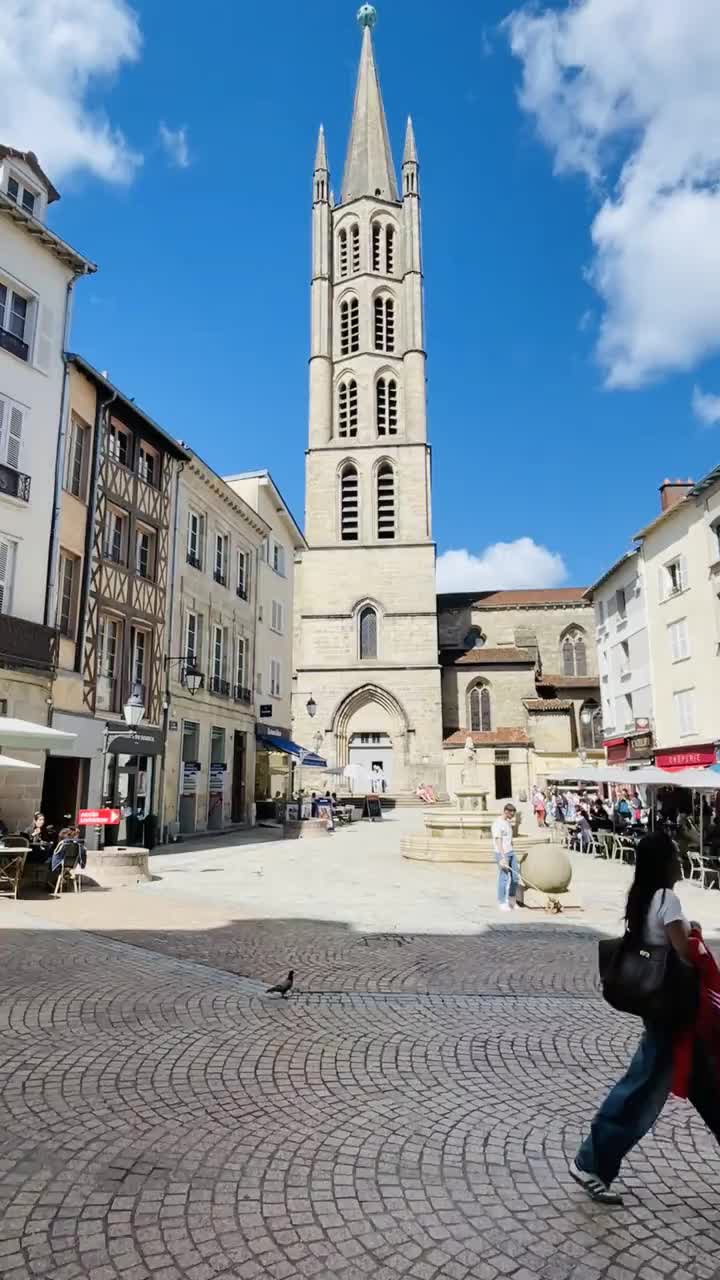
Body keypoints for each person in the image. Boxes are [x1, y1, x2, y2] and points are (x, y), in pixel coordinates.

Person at [571, 832, 720, 1206]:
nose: (680, 860)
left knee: (705, 1085)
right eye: (674, 855)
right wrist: (694, 930)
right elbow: (685, 953)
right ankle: (591, 1162)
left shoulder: (642, 898)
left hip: (666, 1010)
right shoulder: (668, 899)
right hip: (673, 1012)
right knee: (642, 1089)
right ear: (664, 862)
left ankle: (592, 1160)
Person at [492, 803, 519, 912]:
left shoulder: (507, 822)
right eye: (511, 814)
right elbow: (498, 840)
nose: (512, 816)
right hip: (502, 853)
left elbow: (508, 839)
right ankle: (502, 901)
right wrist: (502, 857)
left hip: (510, 852)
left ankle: (512, 899)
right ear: (506, 811)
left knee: (515, 876)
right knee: (504, 877)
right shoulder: (498, 824)